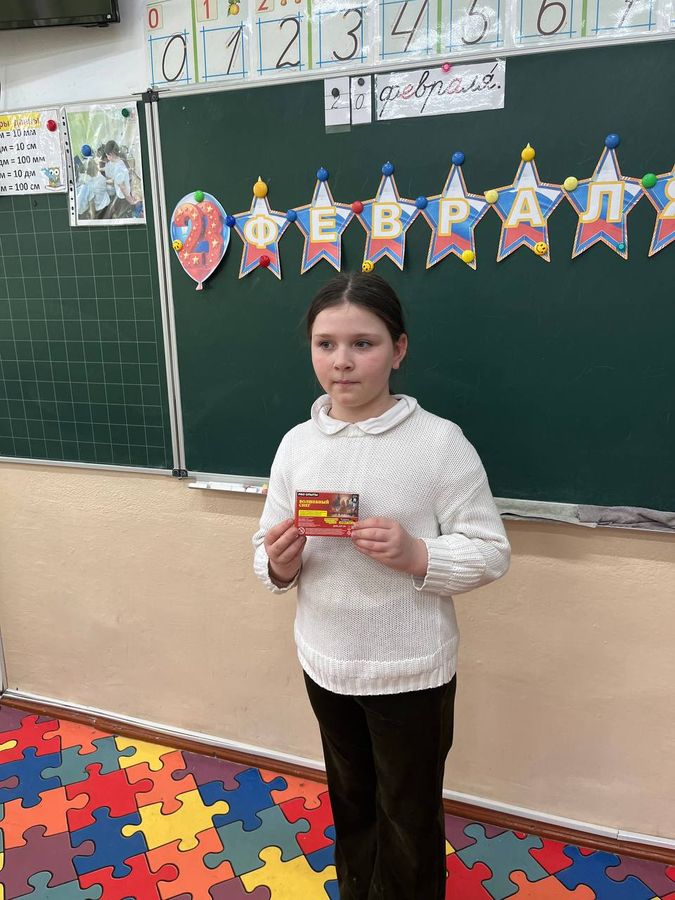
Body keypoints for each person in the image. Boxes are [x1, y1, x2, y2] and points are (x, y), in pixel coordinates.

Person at [252, 272, 510, 900]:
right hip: (325, 663)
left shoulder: (439, 443)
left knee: (409, 817)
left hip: (411, 672)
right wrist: (279, 564)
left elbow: (491, 551)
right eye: (326, 344)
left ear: (398, 350)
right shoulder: (297, 445)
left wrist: (419, 554)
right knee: (351, 803)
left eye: (362, 344)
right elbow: (266, 549)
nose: (341, 361)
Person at [102, 140, 138, 218]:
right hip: (125, 192)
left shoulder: (118, 168)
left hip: (124, 197)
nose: (107, 157)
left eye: (107, 155)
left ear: (110, 154)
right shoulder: (121, 160)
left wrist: (131, 200)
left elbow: (122, 187)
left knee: (125, 213)